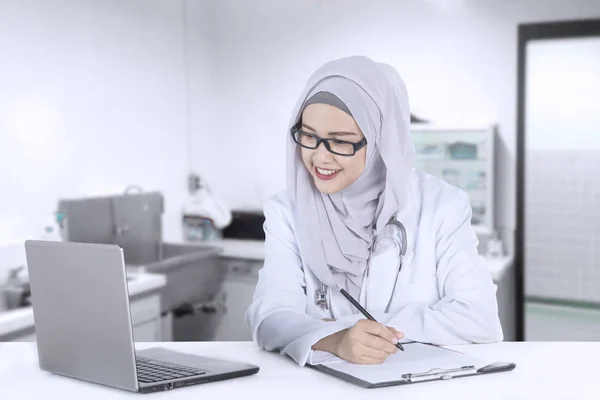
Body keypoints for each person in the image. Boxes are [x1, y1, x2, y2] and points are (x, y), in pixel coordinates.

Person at [245, 55, 503, 366]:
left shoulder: (442, 206)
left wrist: (348, 331)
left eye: (341, 142)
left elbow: (480, 318)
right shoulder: (286, 211)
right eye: (309, 136)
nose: (320, 157)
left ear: (383, 141)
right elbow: (268, 317)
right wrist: (337, 341)